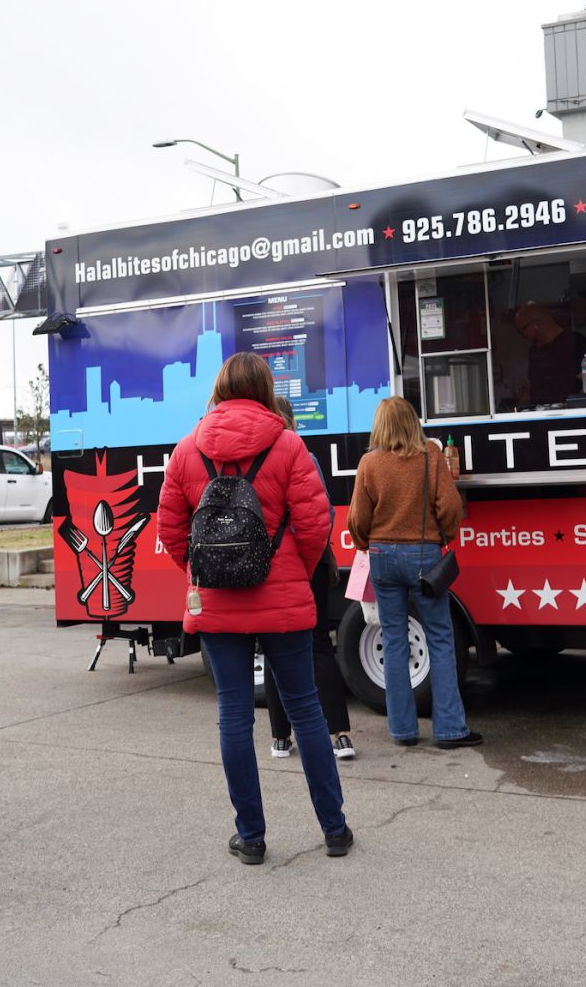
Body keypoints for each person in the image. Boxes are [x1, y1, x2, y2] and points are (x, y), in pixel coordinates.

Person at [157, 351, 353, 864]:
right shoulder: (288, 445)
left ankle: (251, 838)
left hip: (217, 604)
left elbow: (170, 529)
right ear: (266, 389)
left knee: (234, 716)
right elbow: (315, 524)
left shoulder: (187, 450)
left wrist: (202, 571)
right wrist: (290, 571)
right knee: (306, 710)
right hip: (283, 599)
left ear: (220, 389)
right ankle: (334, 830)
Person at [347, 396, 481, 749]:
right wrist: (444, 536)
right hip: (424, 555)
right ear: (412, 423)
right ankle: (450, 729)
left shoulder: (369, 463)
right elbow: (450, 506)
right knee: (440, 638)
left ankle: (403, 730)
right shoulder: (430, 456)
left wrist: (366, 542)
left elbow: (357, 519)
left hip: (381, 556)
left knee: (393, 640)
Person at [262, 396, 355, 761]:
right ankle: (340, 736)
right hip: (305, 564)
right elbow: (323, 514)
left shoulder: (253, 460)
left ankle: (280, 738)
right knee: (317, 644)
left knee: (273, 648)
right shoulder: (303, 454)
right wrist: (307, 554)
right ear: (290, 420)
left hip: (265, 568)